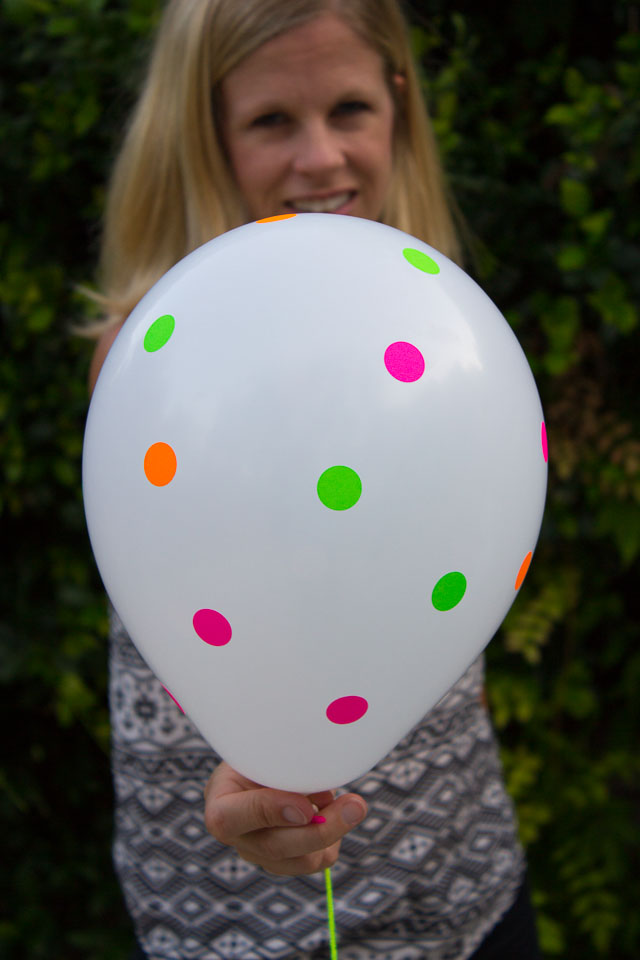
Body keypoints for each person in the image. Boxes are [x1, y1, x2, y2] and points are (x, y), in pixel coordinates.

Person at [87, 1, 541, 958]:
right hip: (236, 921)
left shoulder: (448, 332)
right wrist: (257, 767)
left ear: (399, 108)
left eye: (350, 109)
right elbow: (184, 620)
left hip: (460, 881)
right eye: (271, 121)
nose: (322, 159)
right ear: (203, 135)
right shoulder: (154, 359)